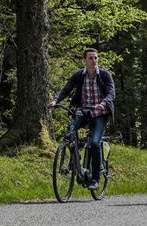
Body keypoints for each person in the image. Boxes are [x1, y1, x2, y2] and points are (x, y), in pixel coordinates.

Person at [47, 48, 115, 191]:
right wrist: (55, 101)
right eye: (90, 58)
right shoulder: (79, 75)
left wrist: (102, 104)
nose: (94, 61)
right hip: (83, 112)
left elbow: (111, 92)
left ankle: (95, 179)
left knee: (95, 143)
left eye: (96, 58)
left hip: (100, 114)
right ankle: (74, 160)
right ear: (85, 60)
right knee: (70, 132)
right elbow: (66, 89)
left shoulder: (104, 75)